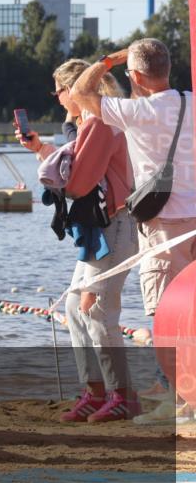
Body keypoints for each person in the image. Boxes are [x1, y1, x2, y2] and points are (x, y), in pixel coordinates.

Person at [70, 38, 195, 425]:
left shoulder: (135, 111)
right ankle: (184, 401)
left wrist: (109, 59)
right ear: (169, 69)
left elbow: (80, 92)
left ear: (136, 76)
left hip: (161, 226)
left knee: (165, 316)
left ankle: (184, 405)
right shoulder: (190, 101)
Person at [19, 58, 139, 423]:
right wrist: (45, 153)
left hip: (115, 226)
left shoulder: (100, 124)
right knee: (74, 307)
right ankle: (95, 391)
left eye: (59, 90)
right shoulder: (89, 124)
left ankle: (122, 396)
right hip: (101, 228)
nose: (57, 99)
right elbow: (75, 174)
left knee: (97, 309)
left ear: (76, 90)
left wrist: (54, 172)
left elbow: (78, 183)